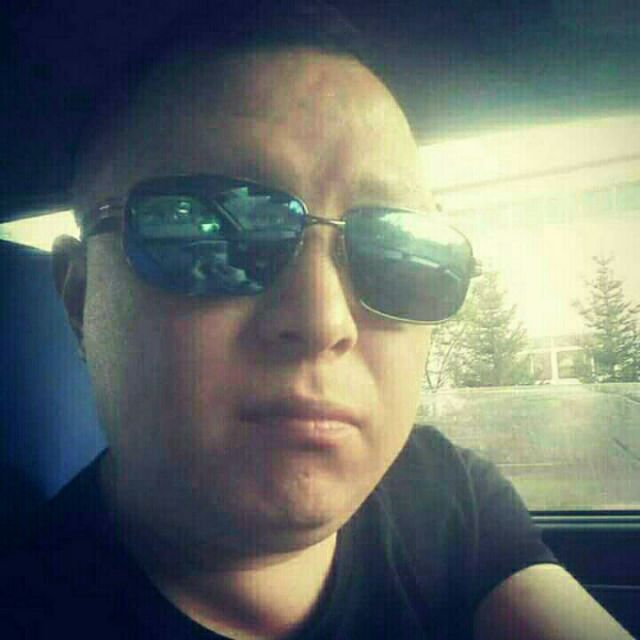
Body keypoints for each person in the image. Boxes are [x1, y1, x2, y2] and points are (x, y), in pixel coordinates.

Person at [1, 1, 634, 638]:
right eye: (214, 236)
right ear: (80, 296)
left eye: (398, 250)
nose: (324, 320)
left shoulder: (444, 496)